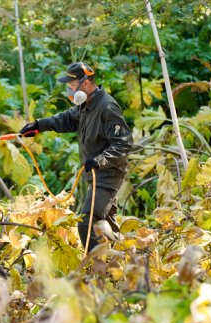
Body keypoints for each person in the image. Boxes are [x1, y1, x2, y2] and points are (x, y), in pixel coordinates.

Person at [20, 62, 133, 252]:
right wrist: (39, 125)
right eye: (69, 87)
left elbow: (124, 143)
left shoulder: (107, 108)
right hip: (96, 174)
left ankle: (96, 269)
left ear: (86, 83)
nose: (70, 91)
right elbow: (66, 119)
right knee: (106, 225)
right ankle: (127, 258)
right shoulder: (86, 105)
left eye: (73, 87)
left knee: (87, 223)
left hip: (107, 174)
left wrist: (99, 160)